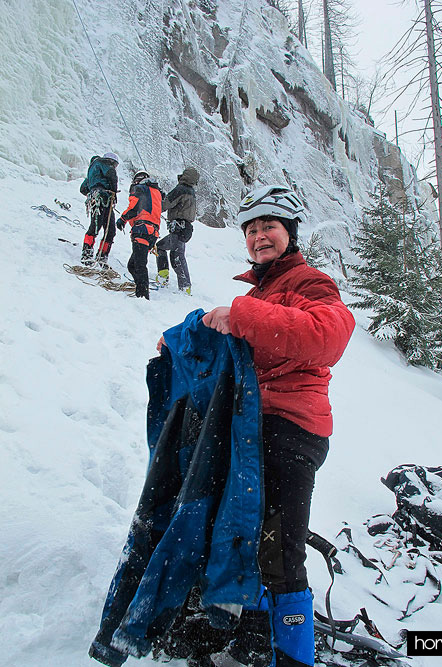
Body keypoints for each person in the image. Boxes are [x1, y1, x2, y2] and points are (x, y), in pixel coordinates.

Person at [157, 185, 355, 667]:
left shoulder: (310, 283)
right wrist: (184, 343)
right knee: (242, 539)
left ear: (290, 232)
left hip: (291, 429)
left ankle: (292, 658)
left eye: (269, 226)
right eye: (250, 230)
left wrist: (240, 314)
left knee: (280, 553)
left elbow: (327, 336)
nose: (258, 236)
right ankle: (250, 645)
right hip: (249, 429)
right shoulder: (258, 291)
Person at [116, 171, 165, 300]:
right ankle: (141, 288)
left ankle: (142, 295)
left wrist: (122, 219)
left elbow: (134, 207)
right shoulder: (157, 193)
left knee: (139, 265)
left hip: (141, 230)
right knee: (133, 265)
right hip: (152, 233)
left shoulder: (139, 189)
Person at [155, 167, 199, 294]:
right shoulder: (191, 192)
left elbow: (164, 205)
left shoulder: (180, 189)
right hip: (185, 228)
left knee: (175, 255)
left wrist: (159, 197)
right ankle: (183, 286)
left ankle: (181, 284)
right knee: (172, 252)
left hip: (178, 228)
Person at [80, 152, 119, 267]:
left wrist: (93, 191)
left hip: (97, 198)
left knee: (96, 226)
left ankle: (87, 252)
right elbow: (112, 174)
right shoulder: (103, 163)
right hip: (105, 197)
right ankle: (101, 256)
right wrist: (113, 191)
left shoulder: (92, 174)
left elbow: (83, 189)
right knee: (110, 230)